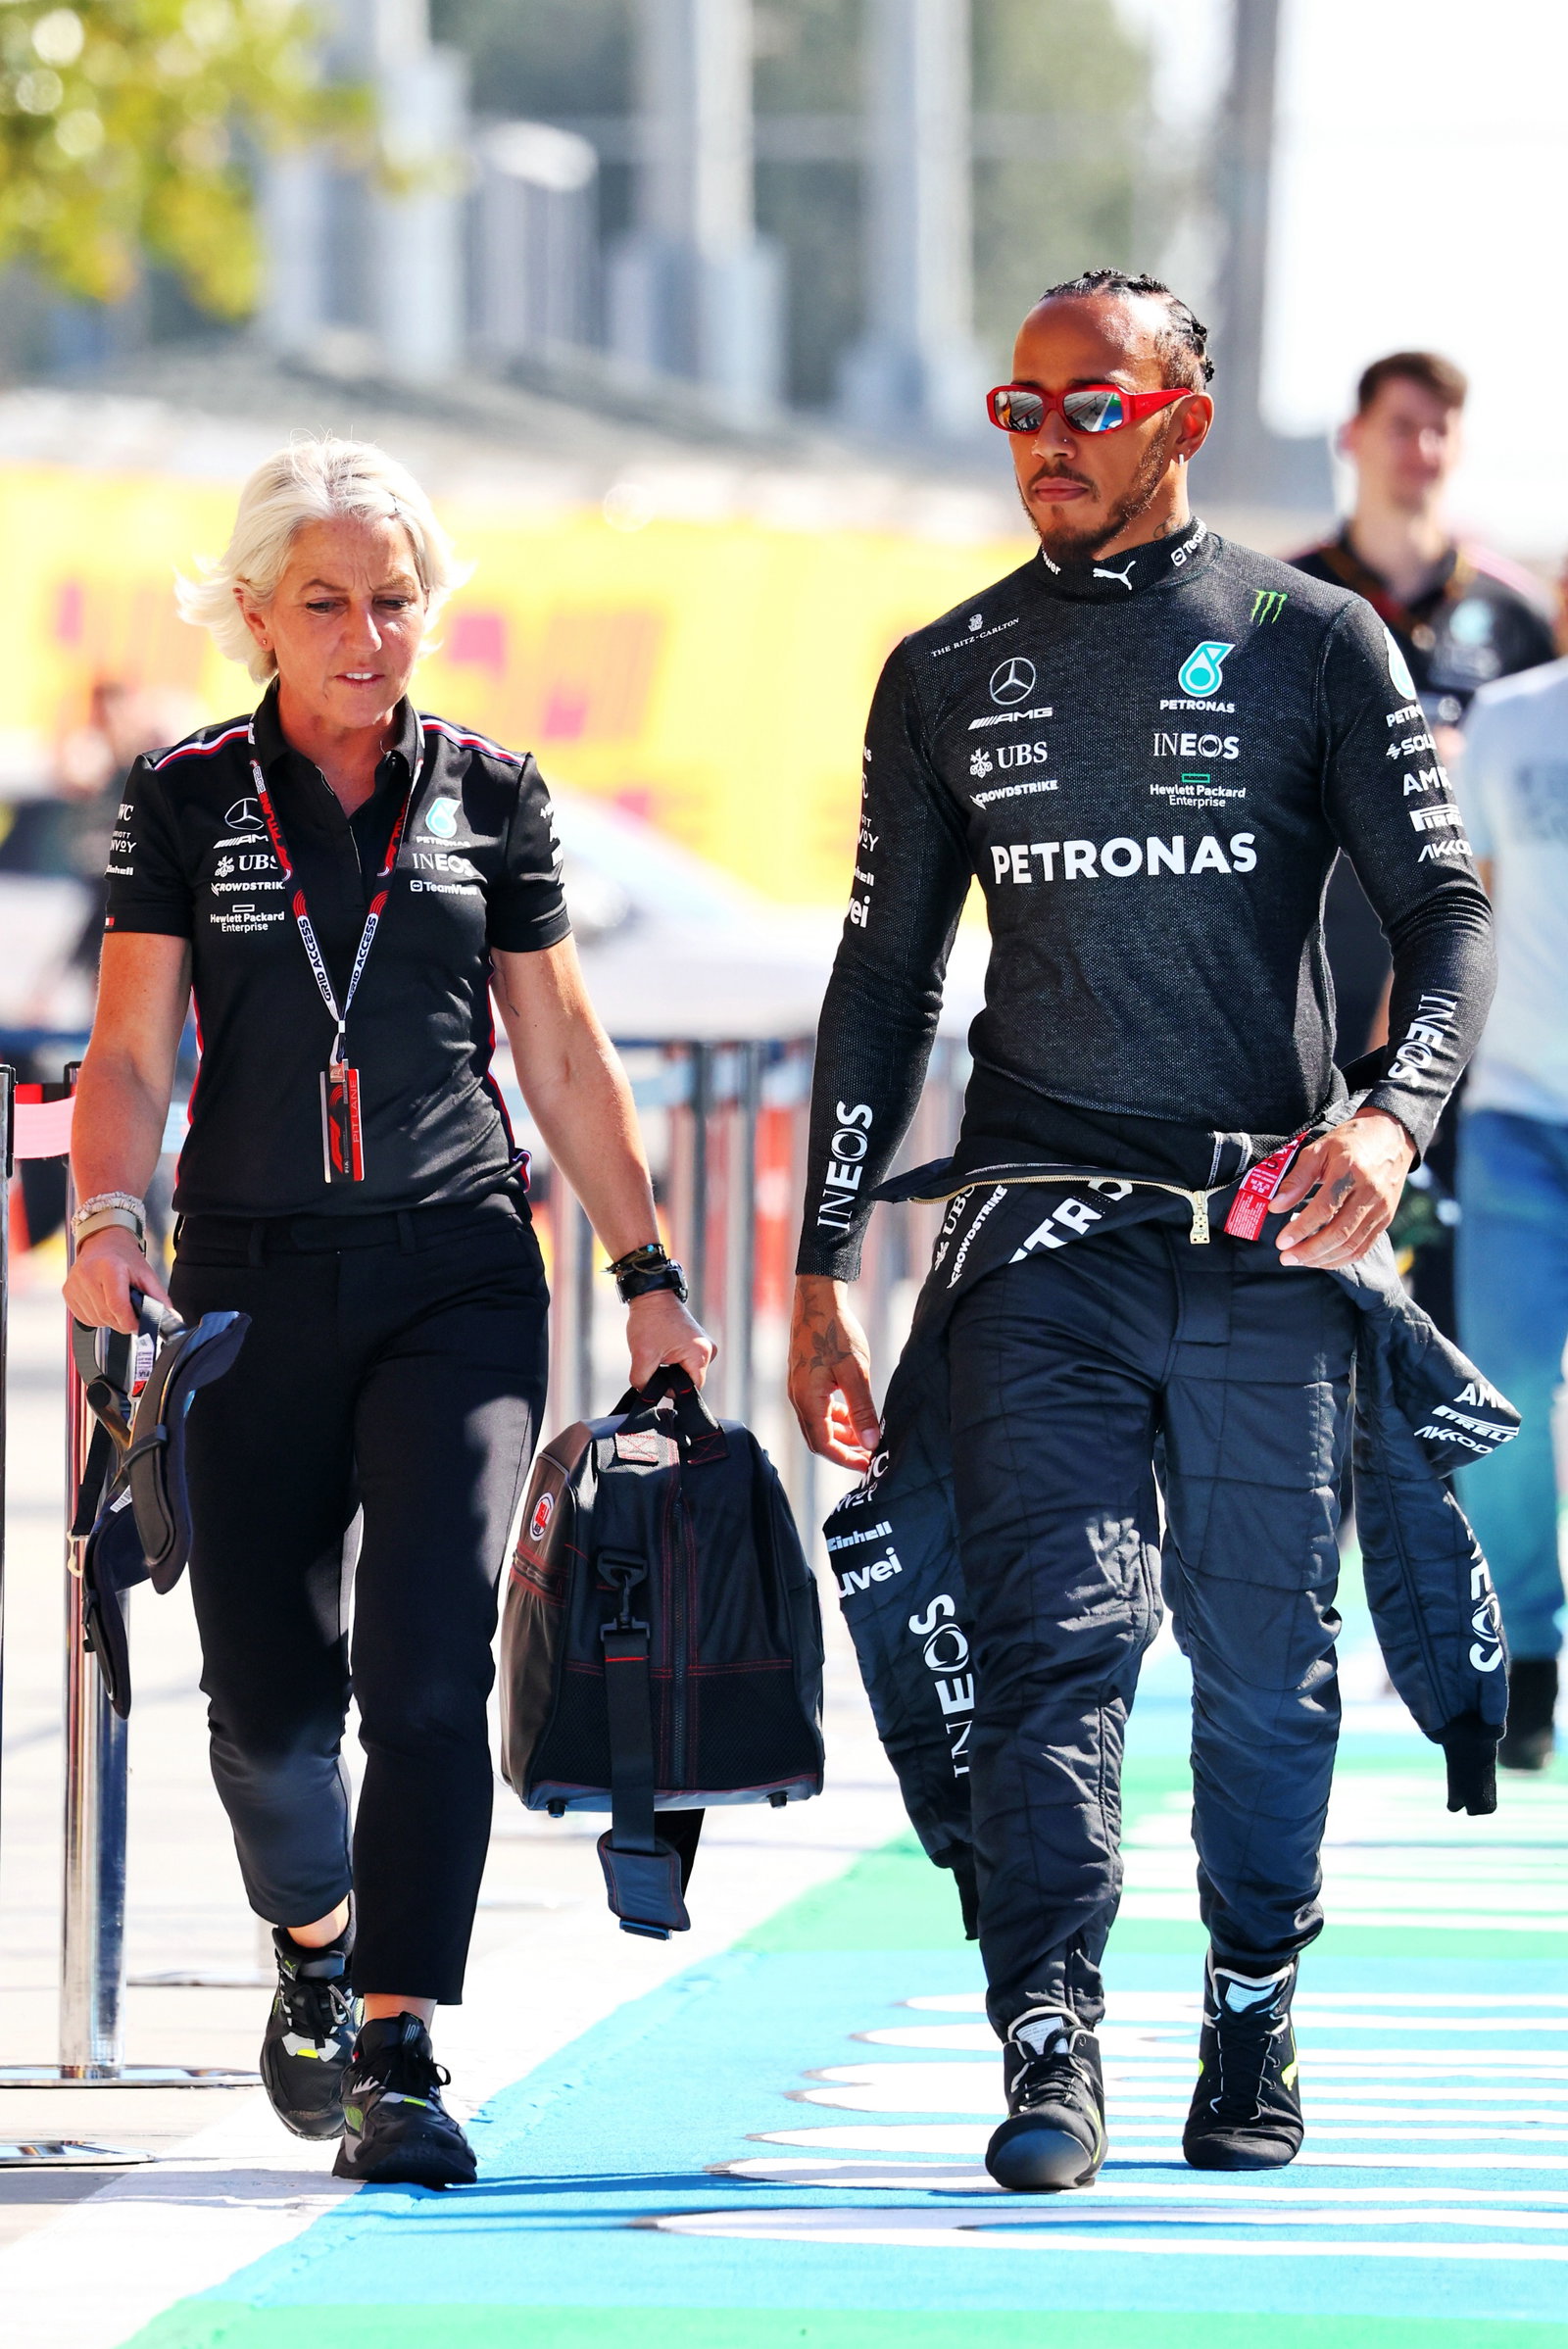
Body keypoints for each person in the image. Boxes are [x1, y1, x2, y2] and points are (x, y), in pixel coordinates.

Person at [788, 270, 1494, 2190]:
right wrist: (820, 1265)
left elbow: (1444, 914)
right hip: (1040, 1244)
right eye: (1018, 408)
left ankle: (1252, 1995)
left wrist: (1388, 1116)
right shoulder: (944, 667)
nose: (1045, 441)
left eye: (1087, 406)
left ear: (1181, 418)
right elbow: (881, 985)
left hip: (1271, 1232)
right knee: (1057, 1647)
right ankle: (1047, 2032)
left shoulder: (1311, 639)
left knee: (1266, 1669)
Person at [63, 438, 711, 2189]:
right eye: (329, 603)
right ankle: (316, 1944)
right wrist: (107, 1220)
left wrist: (649, 1279)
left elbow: (560, 1053)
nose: (367, 635)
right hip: (249, 1281)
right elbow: (127, 1054)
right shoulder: (184, 796)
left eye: (397, 600)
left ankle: (400, 2045)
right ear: (257, 612)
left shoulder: (492, 793)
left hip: (459, 1275)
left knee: (429, 1674)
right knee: (268, 1710)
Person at [1294, 354, 1555, 1333]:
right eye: (1402, 424)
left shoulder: (1517, 616)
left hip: (1461, 1027)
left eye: (1442, 426)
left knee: (1449, 1328)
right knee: (1304, 1304)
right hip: (1315, 1002)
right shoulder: (1283, 598)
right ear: (1351, 438)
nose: (1424, 448)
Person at [1451, 661, 1568, 1767]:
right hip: (1518, 1114)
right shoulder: (1510, 717)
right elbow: (1461, 910)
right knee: (1506, 1387)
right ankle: (1527, 1646)